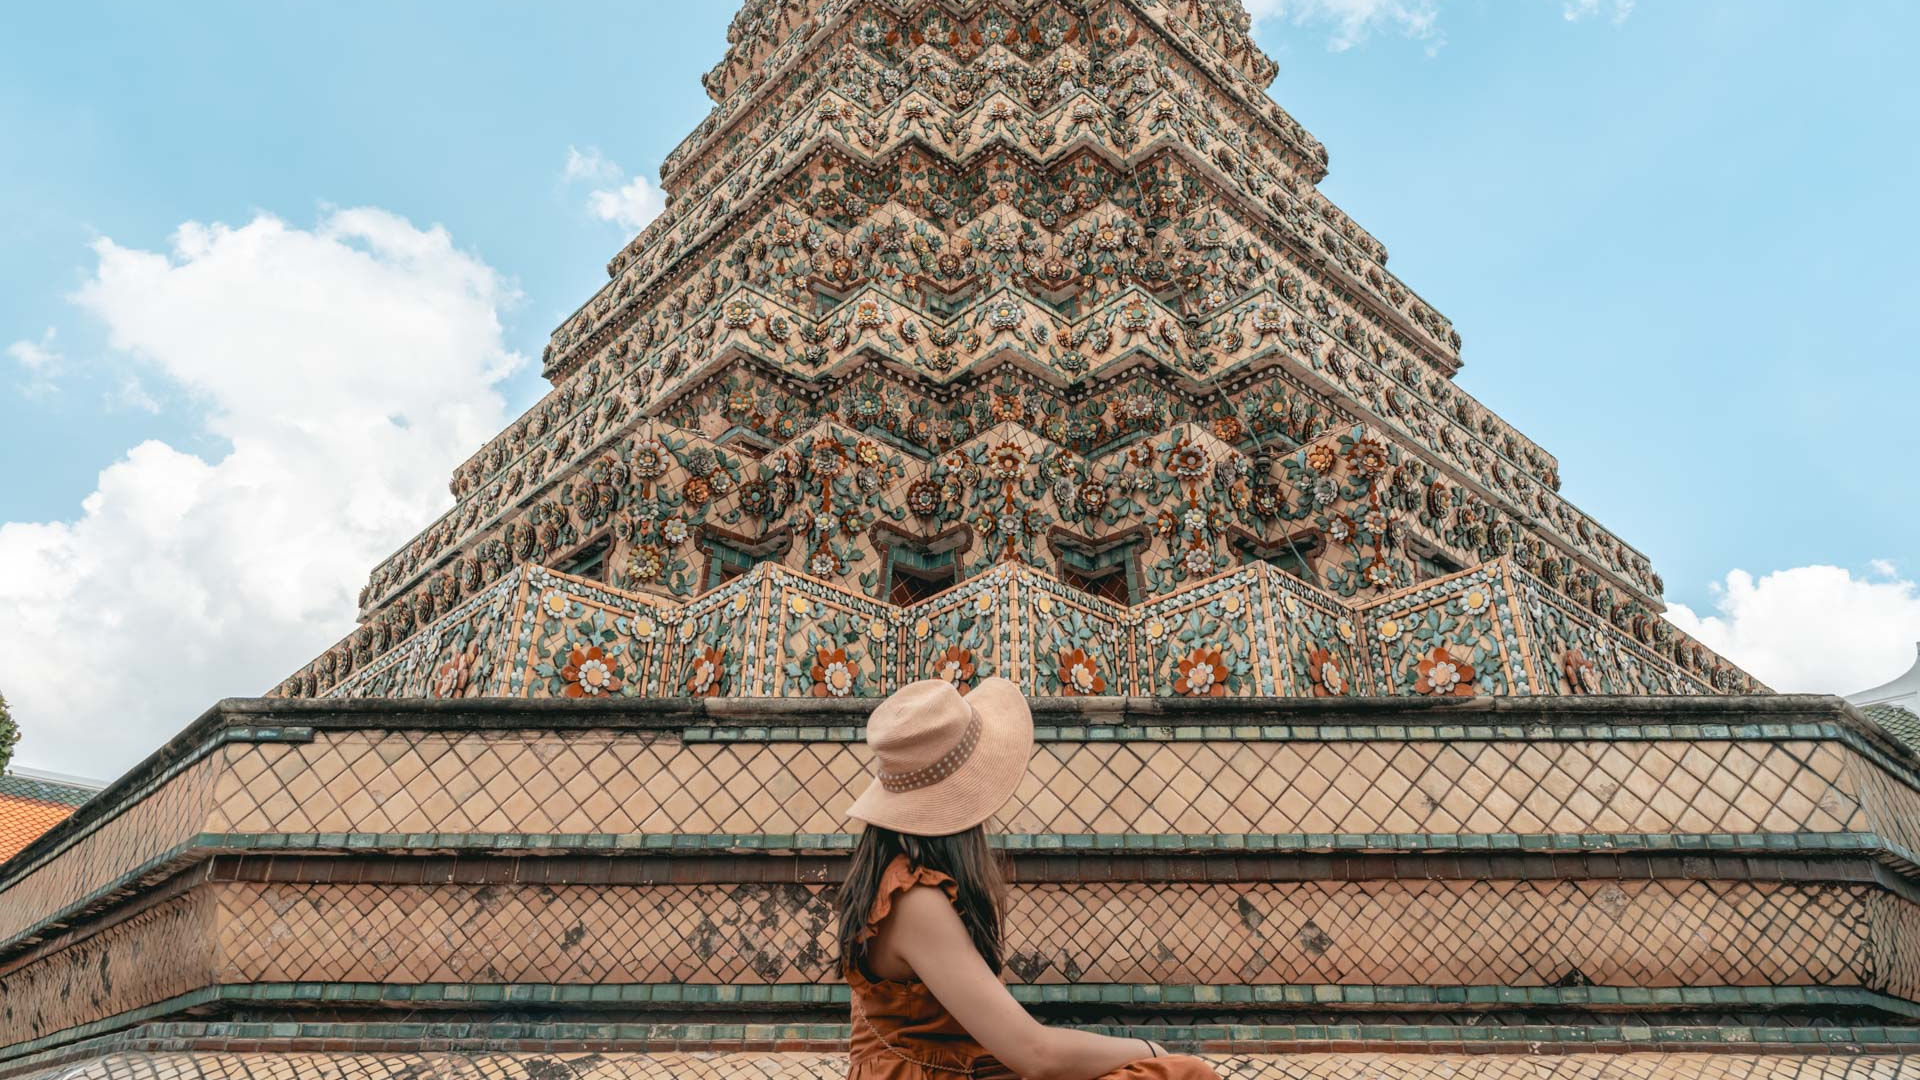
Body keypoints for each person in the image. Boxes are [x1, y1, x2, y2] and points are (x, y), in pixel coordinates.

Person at [838, 678, 1221, 1080]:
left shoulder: (903, 883)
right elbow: (1035, 1054)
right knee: (1181, 1074)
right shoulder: (913, 899)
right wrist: (1153, 1050)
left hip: (957, 1070)